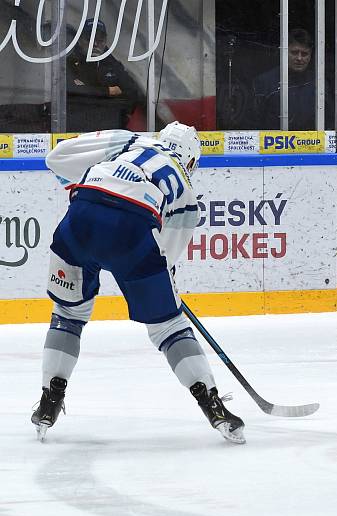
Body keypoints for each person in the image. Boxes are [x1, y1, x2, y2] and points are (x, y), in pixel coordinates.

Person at [31, 122, 246, 444]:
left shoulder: (127, 140)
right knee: (169, 327)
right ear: (190, 160)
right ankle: (212, 406)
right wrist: (165, 285)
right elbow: (168, 255)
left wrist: (85, 183)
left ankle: (50, 400)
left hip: (79, 219)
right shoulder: (184, 189)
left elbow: (57, 157)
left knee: (68, 314)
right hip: (132, 234)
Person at [66, 19, 142, 131]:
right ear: (80, 40)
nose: (95, 44)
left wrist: (122, 116)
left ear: (105, 41)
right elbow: (72, 92)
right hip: (78, 126)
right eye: (90, 39)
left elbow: (131, 91)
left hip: (110, 127)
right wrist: (108, 91)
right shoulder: (70, 62)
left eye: (100, 39)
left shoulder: (112, 63)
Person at [252, 28, 316, 130]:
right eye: (294, 52)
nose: (299, 58)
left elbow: (328, 123)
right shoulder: (265, 82)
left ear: (310, 55)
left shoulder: (317, 83)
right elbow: (253, 125)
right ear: (284, 52)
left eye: (304, 54)